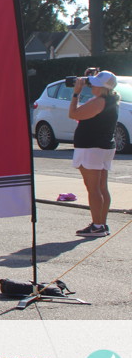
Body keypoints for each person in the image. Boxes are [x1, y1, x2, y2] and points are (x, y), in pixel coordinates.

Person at [69, 70, 120, 237]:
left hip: (91, 147)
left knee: (93, 188)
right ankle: (101, 223)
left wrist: (76, 93)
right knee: (102, 187)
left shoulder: (99, 101)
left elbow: (73, 114)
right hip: (104, 146)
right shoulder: (112, 100)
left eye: (96, 84)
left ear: (103, 88)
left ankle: (97, 226)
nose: (92, 86)